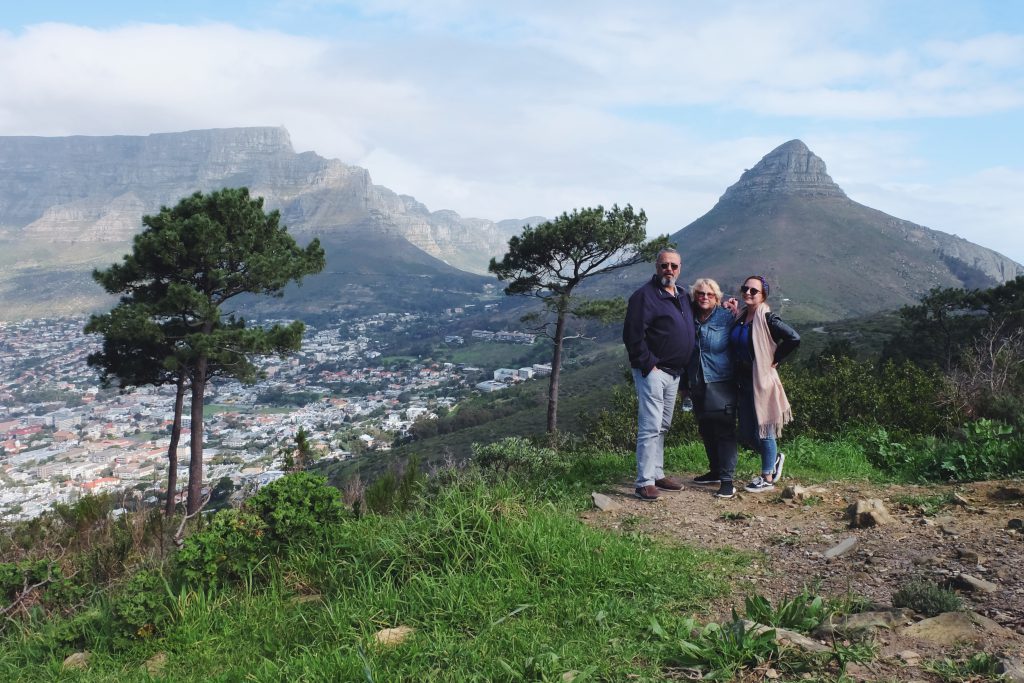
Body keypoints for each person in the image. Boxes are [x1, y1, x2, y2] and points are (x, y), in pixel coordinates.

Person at [622, 248, 695, 501]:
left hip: (674, 373)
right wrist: (649, 364)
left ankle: (657, 473)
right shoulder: (644, 296)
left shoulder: (682, 295)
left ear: (680, 268)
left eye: (674, 266)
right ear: (656, 267)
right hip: (654, 372)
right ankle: (644, 482)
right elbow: (632, 335)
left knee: (663, 425)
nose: (669, 270)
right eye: (665, 265)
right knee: (650, 426)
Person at [729, 275, 800, 493]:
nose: (748, 293)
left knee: (766, 430)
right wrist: (732, 311)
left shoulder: (767, 318)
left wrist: (775, 358)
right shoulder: (741, 317)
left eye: (754, 291)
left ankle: (767, 476)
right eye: (745, 289)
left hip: (762, 382)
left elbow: (794, 338)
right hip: (742, 381)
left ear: (763, 295)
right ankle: (775, 458)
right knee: (747, 433)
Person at [686, 278, 739, 499]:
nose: (704, 297)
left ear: (717, 297)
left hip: (722, 380)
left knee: (724, 430)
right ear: (694, 296)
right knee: (706, 428)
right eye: (700, 293)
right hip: (696, 381)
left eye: (709, 294)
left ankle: (727, 480)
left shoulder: (727, 317)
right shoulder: (689, 317)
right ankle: (715, 470)